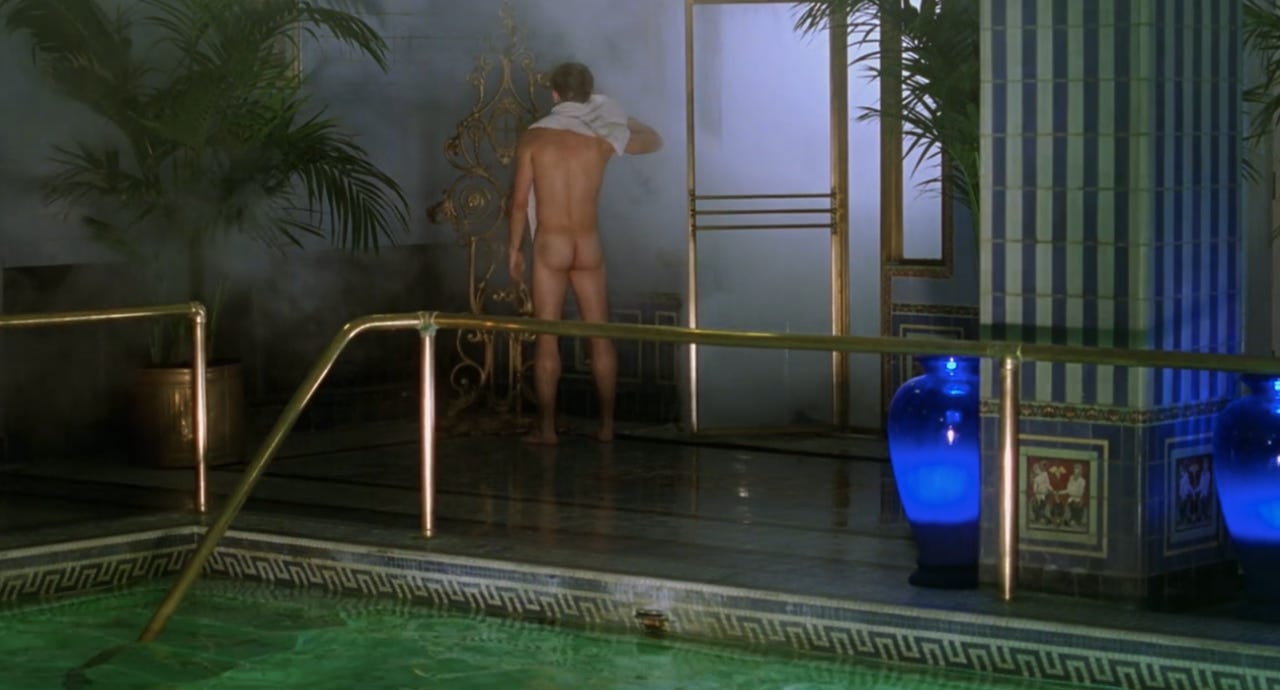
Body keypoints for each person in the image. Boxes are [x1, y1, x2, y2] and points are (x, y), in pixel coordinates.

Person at [507, 62, 663, 445]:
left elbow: (518, 203)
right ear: (589, 96)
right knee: (600, 336)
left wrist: (514, 249)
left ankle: (547, 430)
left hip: (552, 245)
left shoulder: (534, 138)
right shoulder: (601, 138)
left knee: (548, 338)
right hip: (588, 245)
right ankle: (607, 427)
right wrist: (618, 115)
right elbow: (655, 139)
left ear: (555, 94)